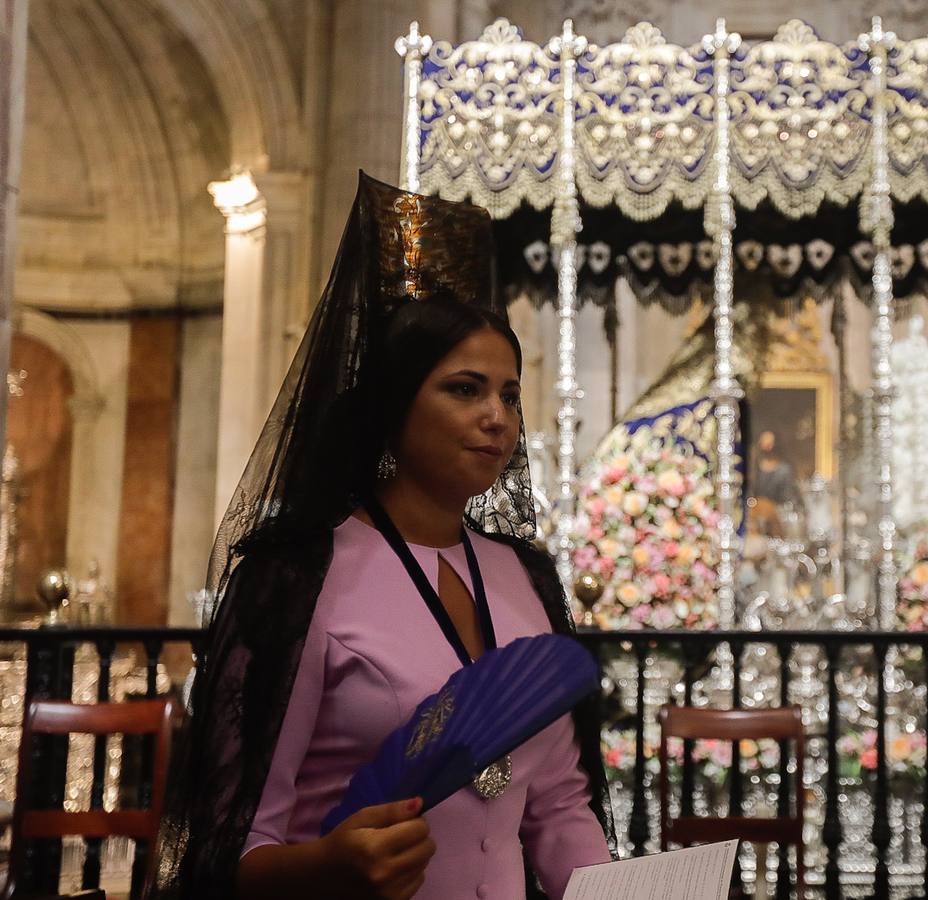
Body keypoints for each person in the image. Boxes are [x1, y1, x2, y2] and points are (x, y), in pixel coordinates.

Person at [149, 173, 613, 900]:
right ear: (394, 409)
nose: (499, 416)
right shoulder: (298, 579)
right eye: (466, 389)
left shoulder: (523, 575)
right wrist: (328, 866)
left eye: (510, 394)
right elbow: (234, 844)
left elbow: (558, 806)